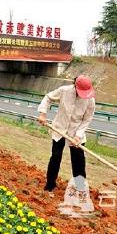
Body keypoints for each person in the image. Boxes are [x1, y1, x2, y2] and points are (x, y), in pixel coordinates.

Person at [37, 75, 95, 206]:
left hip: (76, 133)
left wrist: (78, 136)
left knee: (78, 162)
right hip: (60, 128)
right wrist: (42, 113)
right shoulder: (64, 91)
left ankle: (81, 190)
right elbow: (48, 98)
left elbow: (87, 120)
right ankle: (50, 185)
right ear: (75, 86)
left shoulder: (90, 100)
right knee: (55, 157)